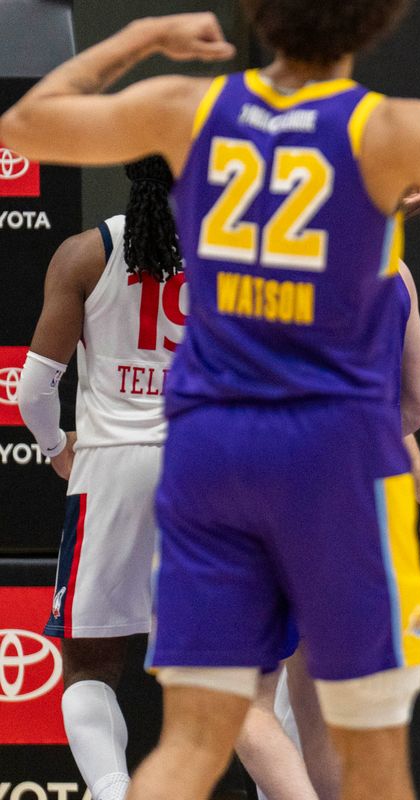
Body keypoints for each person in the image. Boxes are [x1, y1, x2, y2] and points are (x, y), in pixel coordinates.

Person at [0, 5, 420, 800]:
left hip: (212, 457)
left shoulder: (193, 114)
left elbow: (27, 123)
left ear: (259, 19)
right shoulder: (386, 132)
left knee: (211, 717)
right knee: (352, 729)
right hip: (325, 459)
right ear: (375, 25)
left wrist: (143, 39)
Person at [15, 156, 184, 800]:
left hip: (113, 465)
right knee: (238, 671)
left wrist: (58, 446)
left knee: (90, 661)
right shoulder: (232, 253)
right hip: (207, 467)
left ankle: (114, 793)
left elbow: (34, 389)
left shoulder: (87, 253)